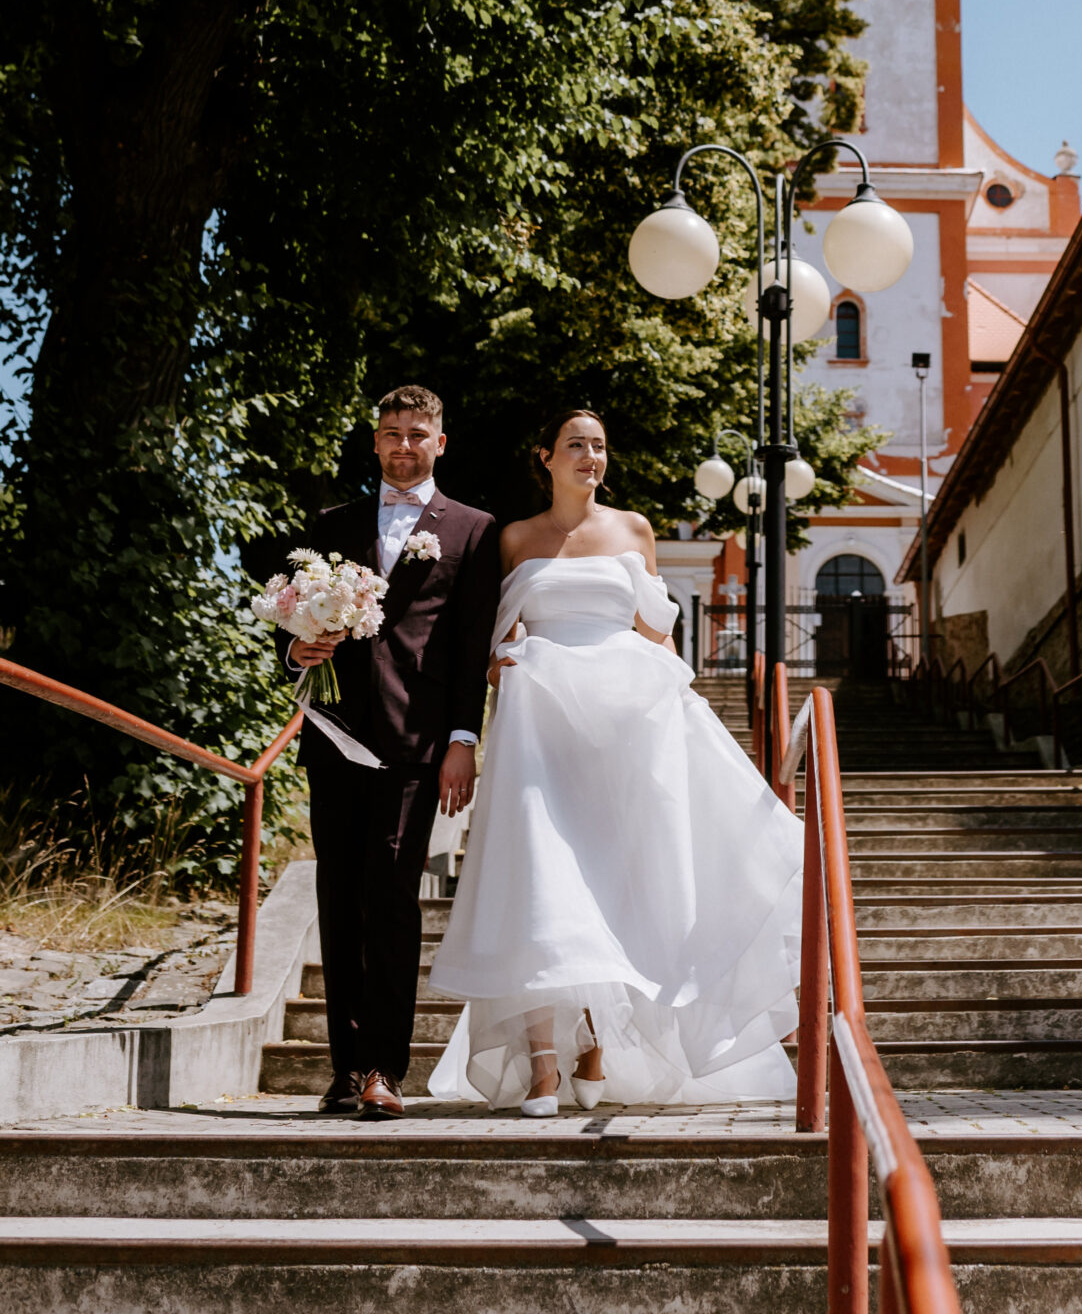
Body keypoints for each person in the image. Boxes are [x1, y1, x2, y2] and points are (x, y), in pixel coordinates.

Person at [427, 407, 804, 1112]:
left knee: (615, 889)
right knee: (541, 887)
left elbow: (655, 633)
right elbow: (493, 635)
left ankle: (597, 1045)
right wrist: (500, 666)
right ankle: (543, 1064)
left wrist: (677, 708)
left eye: (599, 446)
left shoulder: (633, 530)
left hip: (623, 730)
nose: (590, 457)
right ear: (545, 456)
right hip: (539, 730)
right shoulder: (514, 538)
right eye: (575, 444)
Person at [280, 385, 501, 1119]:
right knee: (338, 898)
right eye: (391, 433)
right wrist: (296, 652)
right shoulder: (331, 525)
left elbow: (470, 646)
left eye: (417, 433)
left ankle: (385, 1068)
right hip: (335, 734)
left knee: (392, 898)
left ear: (440, 442)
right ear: (375, 441)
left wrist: (463, 739)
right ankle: (345, 1071)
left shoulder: (473, 529)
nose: (403, 445)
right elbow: (294, 621)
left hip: (415, 742)